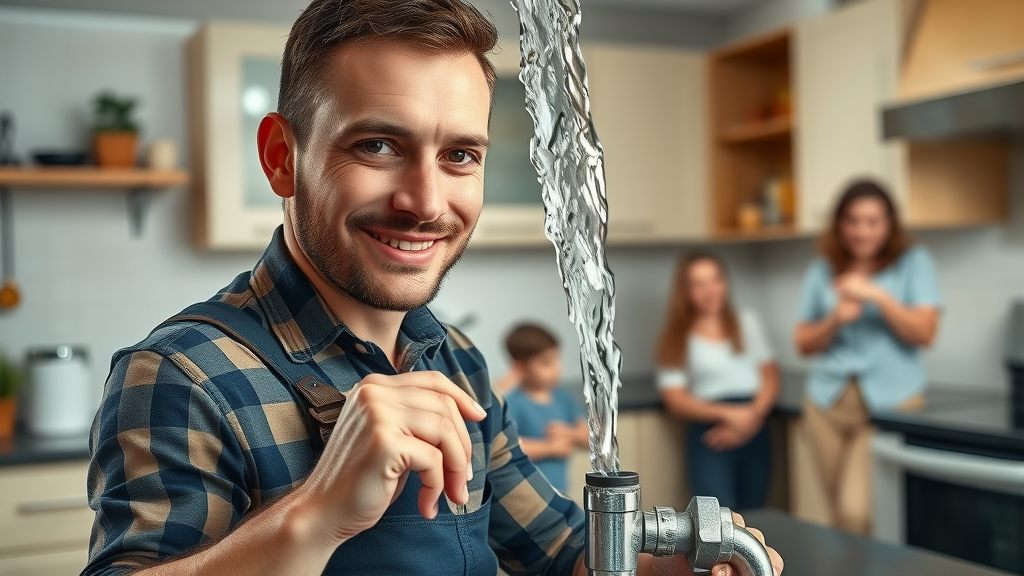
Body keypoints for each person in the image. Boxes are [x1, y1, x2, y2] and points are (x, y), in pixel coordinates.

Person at [82, 1, 783, 575]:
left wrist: (673, 567)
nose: (424, 201)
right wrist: (316, 515)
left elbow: (561, 552)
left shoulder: (455, 359)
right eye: (378, 146)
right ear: (280, 157)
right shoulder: (183, 376)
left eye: (459, 155)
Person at [794, 179, 941, 535]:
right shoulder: (823, 269)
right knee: (837, 518)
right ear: (839, 223)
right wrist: (834, 319)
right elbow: (803, 342)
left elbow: (925, 333)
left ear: (889, 224)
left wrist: (877, 296)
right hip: (826, 404)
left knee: (855, 514)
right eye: (853, 220)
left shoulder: (914, 263)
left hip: (889, 406)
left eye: (873, 221)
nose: (862, 231)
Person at [656, 253, 779, 511]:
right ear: (685, 291)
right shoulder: (676, 336)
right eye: (699, 284)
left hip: (754, 428)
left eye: (715, 280)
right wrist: (730, 415)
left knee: (754, 516)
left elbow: (770, 376)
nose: (710, 290)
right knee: (717, 518)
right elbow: (674, 399)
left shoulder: (747, 322)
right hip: (710, 434)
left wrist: (748, 420)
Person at [502, 324, 588, 493]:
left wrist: (571, 434)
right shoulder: (513, 403)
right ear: (520, 368)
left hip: (561, 493)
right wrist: (550, 448)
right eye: (546, 363)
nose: (557, 368)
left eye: (557, 359)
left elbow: (590, 439)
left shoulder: (563, 398)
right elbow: (508, 448)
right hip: (528, 495)